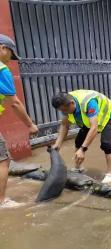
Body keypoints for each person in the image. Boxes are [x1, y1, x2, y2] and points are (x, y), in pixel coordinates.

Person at [0, 34, 38, 208]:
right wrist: (29, 125)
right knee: (3, 161)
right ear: (3, 48)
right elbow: (14, 102)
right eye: (10, 55)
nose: (10, 61)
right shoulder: (2, 70)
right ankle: (2, 201)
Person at [51, 90, 111, 184]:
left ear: (71, 104)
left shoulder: (89, 104)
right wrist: (58, 144)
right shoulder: (66, 103)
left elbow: (94, 128)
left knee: (106, 144)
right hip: (89, 119)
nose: (64, 113)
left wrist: (82, 149)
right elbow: (65, 125)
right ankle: (79, 168)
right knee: (78, 141)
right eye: (61, 111)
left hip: (107, 115)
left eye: (64, 110)